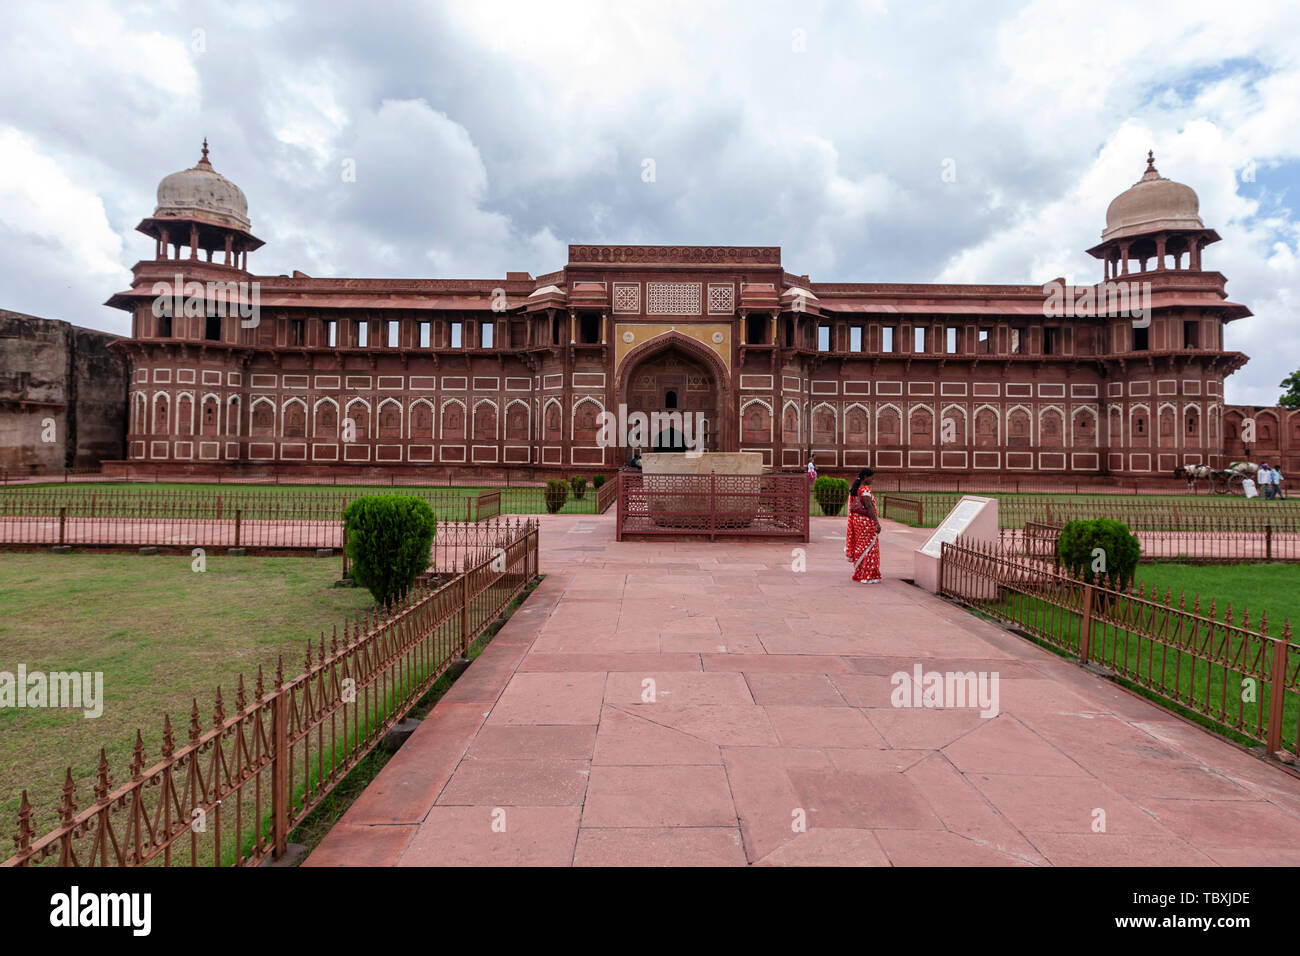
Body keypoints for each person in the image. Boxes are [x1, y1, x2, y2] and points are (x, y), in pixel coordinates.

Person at [844, 467, 882, 584]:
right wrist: (876, 523)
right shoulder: (865, 489)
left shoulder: (856, 488)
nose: (872, 480)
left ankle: (860, 572)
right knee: (870, 548)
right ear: (866, 477)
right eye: (871, 478)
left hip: (857, 522)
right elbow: (869, 507)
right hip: (866, 523)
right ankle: (868, 574)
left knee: (860, 546)